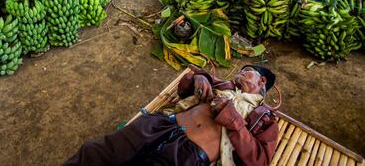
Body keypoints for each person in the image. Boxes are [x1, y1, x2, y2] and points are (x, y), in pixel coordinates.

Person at [62, 65, 280, 166]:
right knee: (96, 152)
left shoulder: (265, 117)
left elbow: (259, 160)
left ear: (262, 81)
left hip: (188, 154)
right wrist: (198, 78)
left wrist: (232, 118)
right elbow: (184, 91)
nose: (240, 74)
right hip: (163, 124)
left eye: (247, 71)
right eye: (240, 71)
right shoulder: (223, 85)